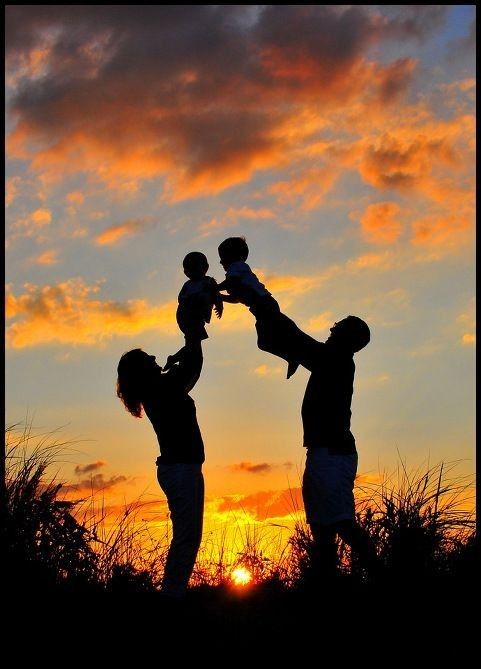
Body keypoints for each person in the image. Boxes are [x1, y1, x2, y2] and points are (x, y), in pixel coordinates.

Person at [291, 315, 380, 585]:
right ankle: (326, 586)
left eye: (338, 327)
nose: (331, 328)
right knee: (322, 526)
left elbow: (301, 343)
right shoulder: (334, 358)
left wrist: (262, 303)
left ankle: (382, 577)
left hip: (332, 453)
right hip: (323, 453)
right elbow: (302, 346)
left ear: (347, 338)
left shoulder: (336, 359)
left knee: (340, 521)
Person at [116, 343, 205, 598]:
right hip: (181, 469)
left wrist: (188, 346)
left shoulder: (158, 388)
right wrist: (193, 338)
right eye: (147, 358)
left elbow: (188, 369)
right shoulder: (160, 388)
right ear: (141, 371)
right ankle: (172, 596)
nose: (155, 357)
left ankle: (173, 593)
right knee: (186, 538)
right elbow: (192, 370)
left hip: (180, 468)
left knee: (187, 537)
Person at [217, 236, 300, 378]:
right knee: (264, 342)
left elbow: (231, 282)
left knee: (277, 333)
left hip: (264, 304)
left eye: (223, 257)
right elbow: (236, 298)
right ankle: (291, 355)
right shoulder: (234, 272)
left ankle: (294, 352)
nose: (220, 261)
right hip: (259, 308)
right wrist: (220, 297)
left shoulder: (237, 267)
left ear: (234, 255)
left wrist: (214, 289)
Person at [164, 251, 223, 371]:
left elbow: (216, 294)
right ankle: (175, 358)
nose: (194, 272)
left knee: (193, 343)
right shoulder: (188, 285)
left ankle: (175, 358)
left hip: (197, 317)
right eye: (190, 270)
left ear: (205, 268)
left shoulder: (209, 282)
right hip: (186, 316)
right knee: (193, 342)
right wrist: (192, 301)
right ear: (186, 272)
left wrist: (219, 306)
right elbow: (181, 299)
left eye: (197, 268)